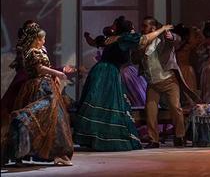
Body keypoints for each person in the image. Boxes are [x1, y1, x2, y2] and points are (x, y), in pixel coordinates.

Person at [74, 17, 171, 151]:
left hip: (100, 71)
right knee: (110, 105)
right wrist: (162, 29)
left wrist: (87, 36)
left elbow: (92, 42)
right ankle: (103, 140)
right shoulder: (124, 39)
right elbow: (145, 39)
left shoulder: (111, 38)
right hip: (109, 73)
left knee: (99, 103)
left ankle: (95, 138)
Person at [3, 25, 74, 166]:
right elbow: (39, 68)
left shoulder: (40, 50)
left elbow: (44, 67)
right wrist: (57, 73)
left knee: (54, 120)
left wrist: (54, 75)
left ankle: (57, 154)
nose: (44, 41)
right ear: (36, 39)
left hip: (46, 85)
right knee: (41, 119)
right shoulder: (32, 52)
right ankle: (20, 152)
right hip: (38, 87)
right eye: (42, 39)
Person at [139, 16, 198, 148]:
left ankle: (180, 136)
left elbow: (176, 39)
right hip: (153, 82)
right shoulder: (144, 41)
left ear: (153, 28)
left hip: (169, 80)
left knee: (175, 107)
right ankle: (154, 140)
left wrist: (171, 36)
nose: (142, 28)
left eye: (145, 26)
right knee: (150, 110)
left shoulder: (163, 39)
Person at [0, 20, 39, 142]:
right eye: (32, 28)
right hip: (25, 79)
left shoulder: (36, 45)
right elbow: (29, 66)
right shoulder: (25, 46)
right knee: (13, 107)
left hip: (31, 78)